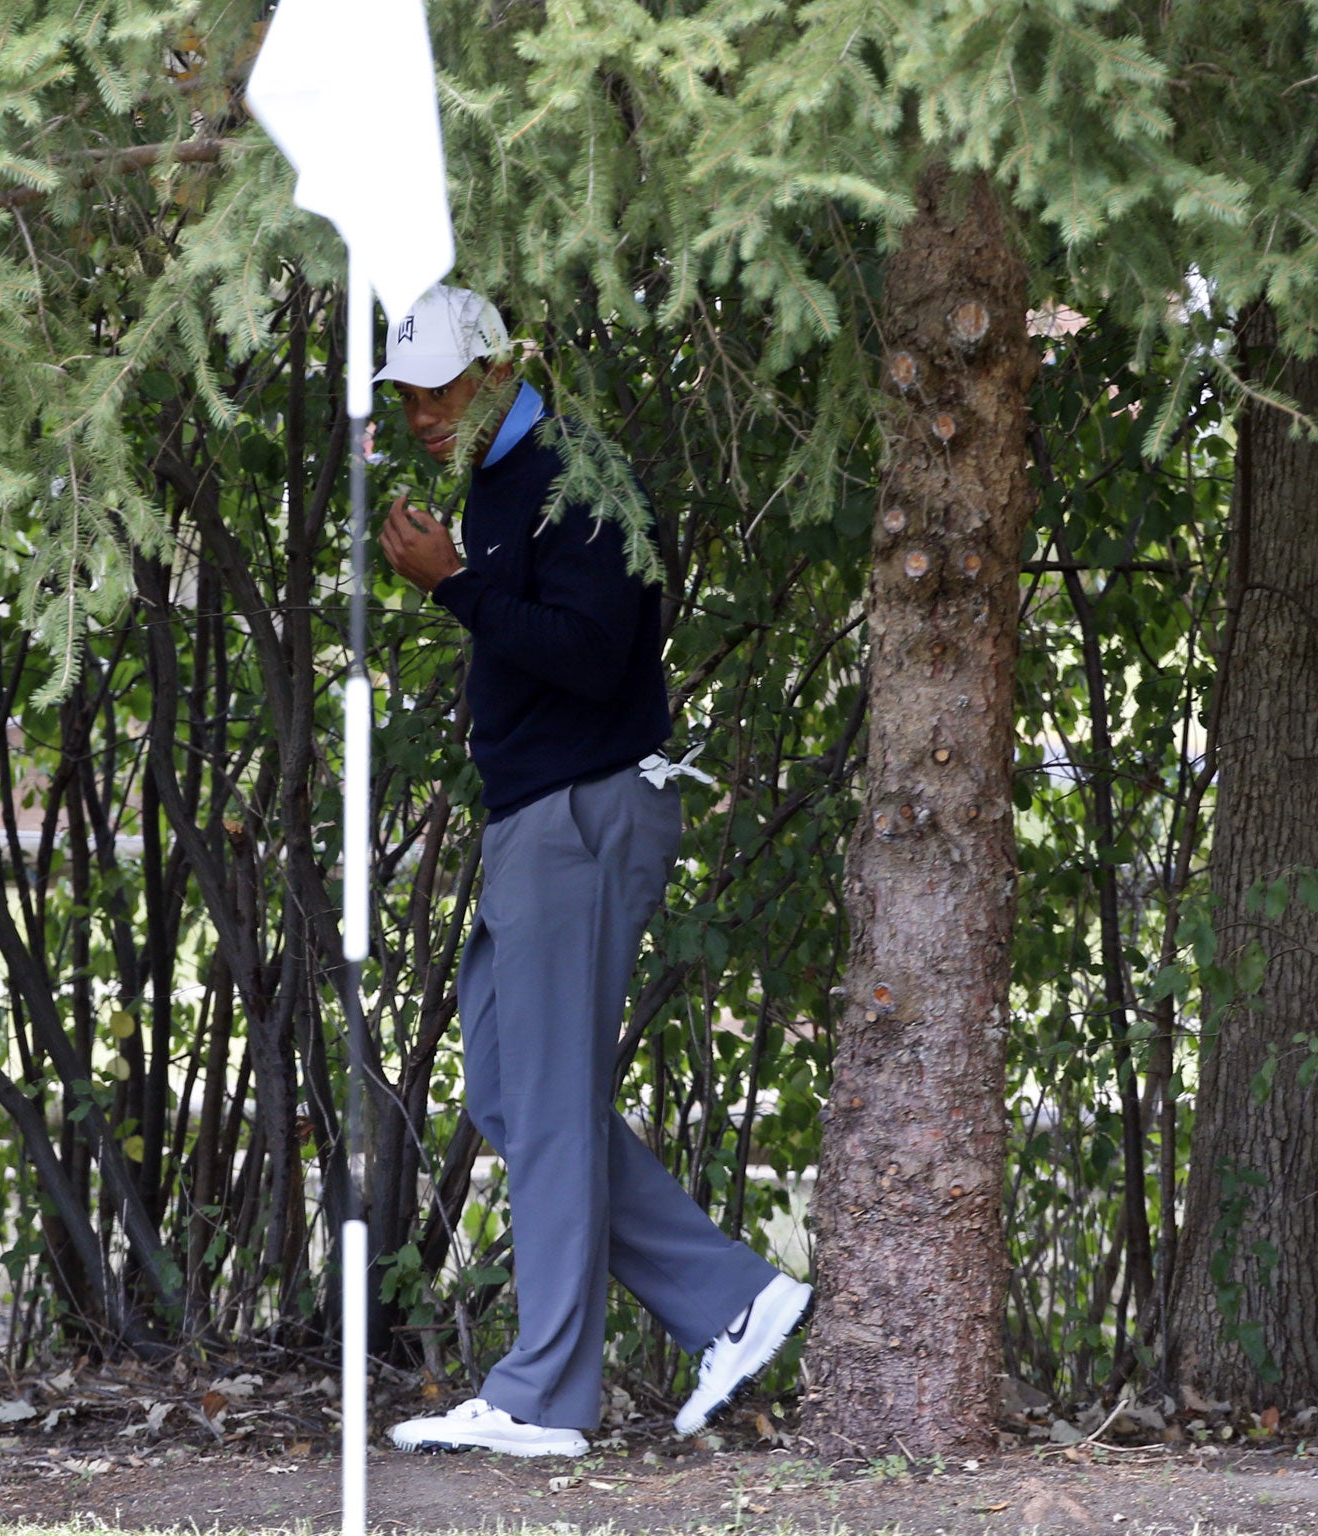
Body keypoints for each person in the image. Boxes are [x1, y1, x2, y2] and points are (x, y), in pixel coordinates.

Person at [374, 285, 813, 1458]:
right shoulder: (500, 481)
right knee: (515, 1094)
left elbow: (587, 653)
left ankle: (541, 1399)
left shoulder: (577, 475)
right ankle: (729, 1298)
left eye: (440, 391)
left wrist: (451, 585)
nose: (421, 415)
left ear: (499, 377)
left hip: (582, 814)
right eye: (407, 397)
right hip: (533, 818)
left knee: (549, 1103)